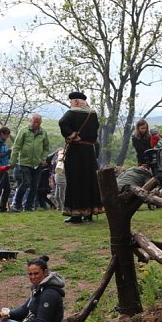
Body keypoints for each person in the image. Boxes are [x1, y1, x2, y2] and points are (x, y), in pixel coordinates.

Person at [59, 91, 104, 223]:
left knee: (75, 181)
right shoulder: (92, 113)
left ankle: (76, 214)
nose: (71, 104)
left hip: (76, 151)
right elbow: (95, 129)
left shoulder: (72, 112)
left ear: (76, 101)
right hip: (89, 151)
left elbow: (62, 122)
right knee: (89, 181)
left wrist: (72, 134)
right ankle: (89, 213)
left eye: (71, 101)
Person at [9, 114, 50, 212]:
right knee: (26, 182)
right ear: (30, 121)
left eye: (38, 123)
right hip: (24, 162)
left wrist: (43, 159)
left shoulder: (43, 133)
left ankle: (28, 206)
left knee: (35, 186)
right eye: (34, 122)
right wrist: (13, 161)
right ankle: (16, 204)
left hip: (37, 163)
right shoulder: (23, 131)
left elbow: (46, 148)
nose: (36, 124)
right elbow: (16, 146)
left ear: (41, 123)